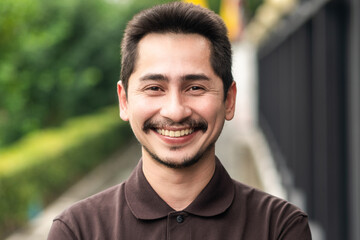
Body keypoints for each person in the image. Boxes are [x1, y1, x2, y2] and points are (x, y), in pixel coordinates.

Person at [48, 2, 312, 239]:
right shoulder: (77, 231)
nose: (175, 111)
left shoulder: (278, 227)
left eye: (195, 87)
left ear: (229, 100)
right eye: (154, 88)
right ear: (124, 101)